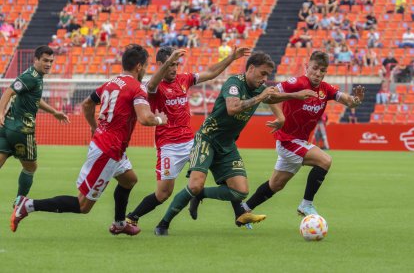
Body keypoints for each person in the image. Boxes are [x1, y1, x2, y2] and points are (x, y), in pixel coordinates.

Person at [10, 45, 186, 235]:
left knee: (129, 180)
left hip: (112, 146)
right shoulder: (137, 88)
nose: (145, 70)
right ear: (138, 67)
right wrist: (161, 119)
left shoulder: (111, 83)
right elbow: (145, 118)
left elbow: (87, 104)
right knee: (83, 205)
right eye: (145, 66)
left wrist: (94, 126)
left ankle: (119, 223)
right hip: (108, 149)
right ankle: (27, 205)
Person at [154, 52, 318, 236]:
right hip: (207, 138)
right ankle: (163, 224)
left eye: (267, 76)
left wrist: (295, 96)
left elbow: (272, 97)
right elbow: (233, 108)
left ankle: (201, 195)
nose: (265, 79)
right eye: (262, 73)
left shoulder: (259, 87)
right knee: (194, 185)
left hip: (227, 144)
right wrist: (260, 97)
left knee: (240, 192)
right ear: (250, 69)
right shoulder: (234, 83)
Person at [125, 45, 252, 229]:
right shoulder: (152, 86)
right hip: (169, 146)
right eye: (171, 65)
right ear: (160, 64)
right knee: (163, 193)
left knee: (217, 167)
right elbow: (151, 85)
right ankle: (132, 217)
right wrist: (168, 62)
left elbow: (210, 73)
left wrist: (231, 58)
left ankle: (239, 213)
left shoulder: (183, 79)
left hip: (191, 142)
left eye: (177, 64)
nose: (175, 68)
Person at [234, 51, 365, 219]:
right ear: (307, 67)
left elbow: (347, 101)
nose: (318, 73)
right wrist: (282, 114)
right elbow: (269, 92)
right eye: (315, 68)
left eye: (323, 70)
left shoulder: (326, 89)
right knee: (325, 160)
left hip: (298, 143)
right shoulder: (297, 82)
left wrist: (356, 100)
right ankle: (306, 204)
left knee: (276, 184)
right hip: (288, 140)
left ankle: (243, 210)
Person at [0, 46, 70, 202]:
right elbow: (8, 92)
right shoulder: (32, 77)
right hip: (22, 129)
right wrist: (0, 111)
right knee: (31, 167)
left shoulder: (33, 75)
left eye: (51, 61)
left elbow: (35, 99)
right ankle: (20, 202)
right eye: (45, 60)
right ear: (36, 59)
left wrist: (53, 112)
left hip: (6, 127)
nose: (48, 64)